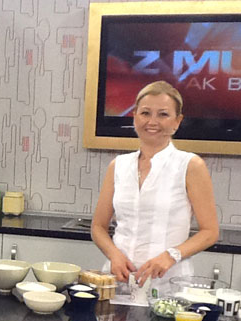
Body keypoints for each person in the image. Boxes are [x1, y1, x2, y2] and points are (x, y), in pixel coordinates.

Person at [91, 80, 219, 293]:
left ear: (177, 122)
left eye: (163, 114)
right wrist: (114, 255)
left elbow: (210, 232)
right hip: (118, 281)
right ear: (134, 116)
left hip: (168, 284)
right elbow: (98, 227)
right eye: (145, 113)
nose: (152, 121)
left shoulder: (190, 165)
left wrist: (171, 256)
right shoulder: (118, 166)